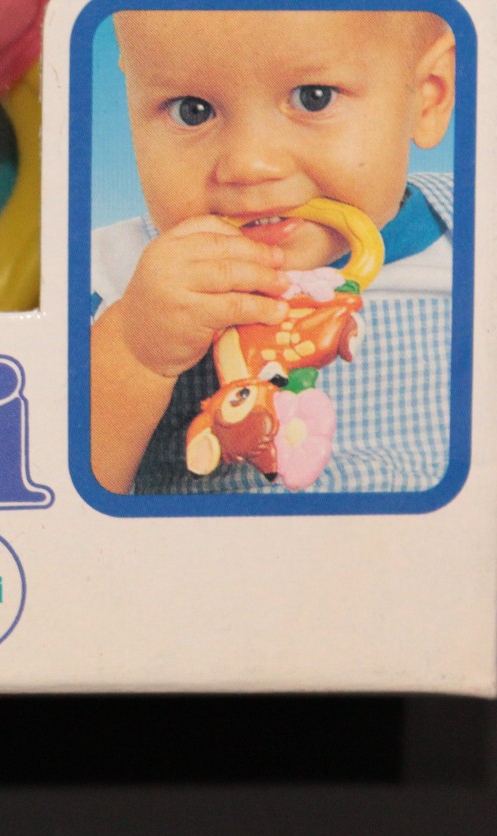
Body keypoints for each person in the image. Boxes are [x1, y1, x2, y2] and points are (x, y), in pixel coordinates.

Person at [89, 10, 456, 494]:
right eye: (192, 110)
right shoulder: (116, 276)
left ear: (428, 97)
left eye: (313, 98)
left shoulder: (470, 243)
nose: (249, 165)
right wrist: (133, 352)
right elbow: (56, 499)